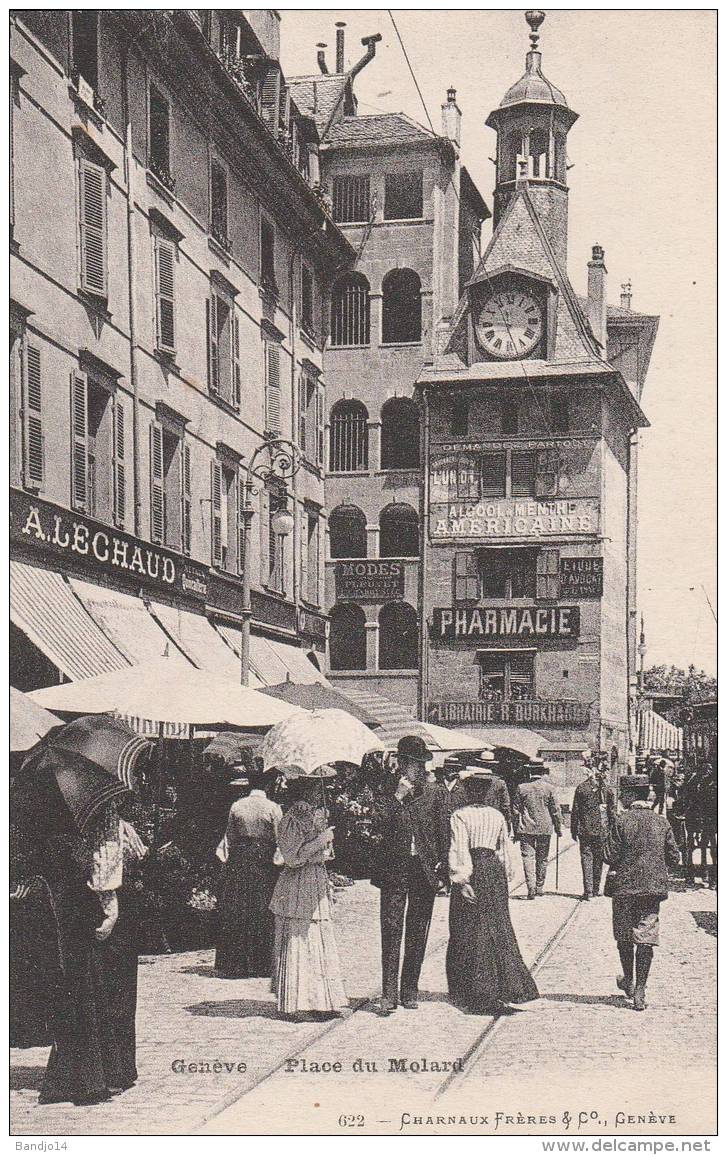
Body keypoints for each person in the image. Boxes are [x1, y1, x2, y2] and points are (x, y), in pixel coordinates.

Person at [11, 768, 144, 1105]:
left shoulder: (46, 807)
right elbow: (106, 871)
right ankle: (110, 1071)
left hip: (65, 906)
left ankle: (86, 1072)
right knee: (109, 989)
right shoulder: (101, 806)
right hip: (97, 907)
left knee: (78, 990)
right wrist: (111, 908)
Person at [447, 771, 539, 1014]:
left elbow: (459, 849)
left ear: (467, 792)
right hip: (493, 871)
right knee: (498, 925)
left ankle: (473, 988)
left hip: (474, 869)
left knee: (467, 928)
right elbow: (504, 849)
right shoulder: (497, 815)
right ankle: (506, 985)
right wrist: (506, 876)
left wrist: (462, 880)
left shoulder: (460, 815)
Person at [371, 735, 450, 1015]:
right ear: (400, 763)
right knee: (391, 929)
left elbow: (444, 833)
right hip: (394, 869)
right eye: (410, 763)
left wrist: (444, 868)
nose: (414, 769)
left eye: (418, 764)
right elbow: (377, 822)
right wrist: (397, 797)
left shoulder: (436, 792)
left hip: (423, 870)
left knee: (418, 931)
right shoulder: (387, 790)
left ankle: (409, 990)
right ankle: (388, 994)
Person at [269, 776, 347, 1019]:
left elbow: (320, 853)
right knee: (300, 939)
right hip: (298, 884)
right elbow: (292, 857)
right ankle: (297, 1003)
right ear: (304, 789)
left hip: (315, 880)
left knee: (317, 939)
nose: (319, 791)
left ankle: (320, 1001)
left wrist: (324, 843)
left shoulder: (314, 815)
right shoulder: (292, 818)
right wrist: (319, 842)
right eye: (315, 786)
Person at [605, 775, 681, 1011]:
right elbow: (674, 857)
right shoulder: (662, 823)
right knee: (645, 937)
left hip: (624, 889)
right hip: (651, 889)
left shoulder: (621, 821)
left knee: (624, 936)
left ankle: (628, 980)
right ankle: (640, 991)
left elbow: (610, 855)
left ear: (629, 796)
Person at [215, 768, 282, 978]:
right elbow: (280, 838)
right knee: (262, 909)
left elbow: (230, 836)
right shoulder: (273, 808)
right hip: (263, 860)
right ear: (268, 785)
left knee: (237, 908)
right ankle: (260, 963)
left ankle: (235, 964)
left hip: (240, 859)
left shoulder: (237, 805)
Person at [513, 760, 562, 899]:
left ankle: (531, 888)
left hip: (526, 828)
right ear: (542, 772)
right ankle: (540, 887)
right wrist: (558, 827)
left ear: (530, 772)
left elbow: (515, 810)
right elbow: (555, 810)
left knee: (527, 858)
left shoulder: (521, 788)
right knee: (543, 858)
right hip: (544, 828)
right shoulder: (549, 788)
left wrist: (516, 829)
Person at [570, 761, 617, 900]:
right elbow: (612, 812)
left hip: (585, 830)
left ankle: (588, 890)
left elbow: (575, 811)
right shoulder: (607, 790)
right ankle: (596, 889)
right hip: (603, 830)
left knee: (586, 858)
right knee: (599, 859)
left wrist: (573, 830)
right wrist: (613, 829)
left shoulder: (581, 788)